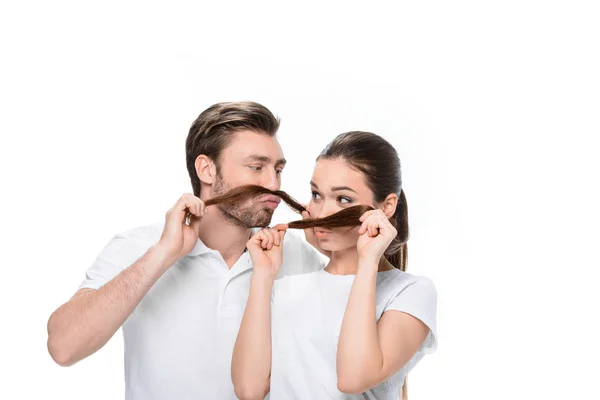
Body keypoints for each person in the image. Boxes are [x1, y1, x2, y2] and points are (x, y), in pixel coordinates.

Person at [46, 101, 327, 400]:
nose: (273, 184)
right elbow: (64, 347)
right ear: (206, 169)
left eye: (278, 169)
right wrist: (164, 254)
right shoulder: (139, 247)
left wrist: (331, 246)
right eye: (256, 167)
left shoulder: (296, 255)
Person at [232, 131, 438, 400]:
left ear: (386, 207)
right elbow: (249, 390)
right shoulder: (287, 286)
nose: (322, 214)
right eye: (317, 195)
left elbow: (353, 378)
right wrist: (263, 274)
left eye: (343, 199)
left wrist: (368, 261)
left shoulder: (410, 293)